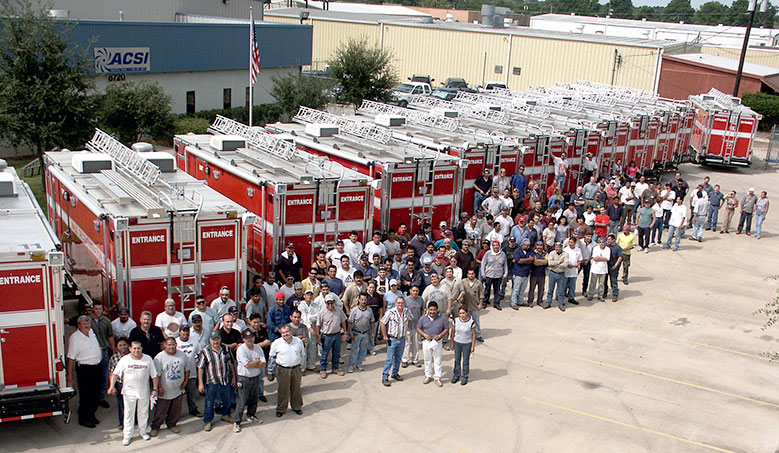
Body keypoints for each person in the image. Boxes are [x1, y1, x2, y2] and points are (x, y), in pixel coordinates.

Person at [108, 340, 159, 446]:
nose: (136, 350)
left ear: (142, 349)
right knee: (128, 414)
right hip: (128, 392)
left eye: (138, 348)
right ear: (130, 349)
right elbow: (115, 374)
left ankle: (143, 432)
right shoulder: (124, 360)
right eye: (134, 348)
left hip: (143, 392)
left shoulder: (148, 359)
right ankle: (127, 436)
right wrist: (111, 386)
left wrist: (154, 389)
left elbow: (154, 375)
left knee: (143, 413)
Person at [67, 315, 103, 428]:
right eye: (84, 324)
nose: (87, 325)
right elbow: (70, 358)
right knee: (86, 394)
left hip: (96, 367)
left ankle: (91, 415)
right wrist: (69, 376)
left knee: (95, 393)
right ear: (79, 325)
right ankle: (83, 418)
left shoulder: (91, 332)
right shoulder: (75, 338)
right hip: (85, 369)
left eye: (88, 323)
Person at [198, 331, 236, 432]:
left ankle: (226, 415)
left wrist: (234, 377)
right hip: (211, 382)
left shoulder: (226, 348)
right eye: (213, 339)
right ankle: (208, 420)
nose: (216, 341)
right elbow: (200, 368)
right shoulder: (205, 351)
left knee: (227, 399)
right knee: (210, 402)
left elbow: (231, 362)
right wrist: (200, 383)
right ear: (209, 340)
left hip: (225, 379)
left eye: (217, 339)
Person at [150, 337, 189, 437]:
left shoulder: (182, 355)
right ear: (165, 346)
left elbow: (187, 370)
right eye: (169, 344)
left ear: (176, 345)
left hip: (178, 388)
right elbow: (156, 375)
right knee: (161, 410)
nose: (171, 347)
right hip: (164, 389)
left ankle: (172, 424)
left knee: (176, 409)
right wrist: (158, 387)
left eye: (173, 344)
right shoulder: (159, 358)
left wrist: (185, 382)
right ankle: (155, 427)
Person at [233, 329, 265, 431]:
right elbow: (246, 365)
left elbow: (263, 363)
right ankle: (237, 422)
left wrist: (253, 363)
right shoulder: (241, 349)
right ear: (243, 339)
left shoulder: (258, 348)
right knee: (242, 401)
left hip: (255, 377)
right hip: (244, 378)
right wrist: (257, 362)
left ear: (254, 337)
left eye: (251, 337)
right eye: (247, 338)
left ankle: (251, 415)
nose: (249, 340)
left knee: (254, 399)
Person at [269, 325, 304, 418]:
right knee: (282, 390)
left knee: (296, 388)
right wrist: (270, 371)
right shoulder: (276, 343)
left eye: (287, 332)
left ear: (291, 331)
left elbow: (302, 354)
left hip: (296, 368)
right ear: (281, 333)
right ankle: (281, 409)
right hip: (283, 369)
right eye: (283, 333)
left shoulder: (298, 341)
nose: (285, 334)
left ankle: (296, 407)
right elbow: (272, 356)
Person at [380, 297, 412, 387]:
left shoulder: (407, 311)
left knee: (398, 357)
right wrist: (385, 335)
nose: (400, 305)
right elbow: (382, 322)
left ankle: (395, 373)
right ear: (395, 303)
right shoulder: (390, 312)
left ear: (404, 303)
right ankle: (385, 377)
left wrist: (405, 330)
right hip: (392, 338)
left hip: (402, 338)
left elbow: (410, 320)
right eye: (398, 303)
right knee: (389, 359)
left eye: (402, 303)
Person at [416, 301, 449, 387]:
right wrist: (423, 334)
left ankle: (437, 377)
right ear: (428, 310)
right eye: (430, 310)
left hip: (437, 342)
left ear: (437, 310)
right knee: (427, 359)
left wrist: (440, 335)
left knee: (438, 359)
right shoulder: (423, 318)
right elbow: (418, 328)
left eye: (434, 310)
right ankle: (428, 376)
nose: (432, 312)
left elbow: (446, 329)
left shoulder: (442, 318)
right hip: (426, 342)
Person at [89, 301, 114, 409]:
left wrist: (113, 350)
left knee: (103, 376)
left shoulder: (107, 321)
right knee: (92, 376)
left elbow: (110, 336)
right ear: (92, 309)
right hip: (91, 353)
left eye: (100, 309)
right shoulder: (87, 321)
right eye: (96, 309)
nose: (98, 311)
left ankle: (101, 398)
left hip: (104, 352)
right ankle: (92, 398)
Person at [316, 294, 347, 378]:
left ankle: (335, 368)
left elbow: (343, 321)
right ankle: (323, 370)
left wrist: (345, 332)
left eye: (331, 303)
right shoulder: (321, 312)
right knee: (324, 354)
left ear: (334, 302)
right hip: (326, 336)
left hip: (337, 334)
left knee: (336, 353)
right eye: (328, 303)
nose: (330, 305)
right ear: (325, 303)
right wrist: (318, 337)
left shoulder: (339, 311)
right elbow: (318, 325)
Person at [175, 323, 203, 417]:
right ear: (180, 332)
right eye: (183, 330)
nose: (185, 333)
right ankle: (175, 413)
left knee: (192, 393)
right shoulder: (175, 342)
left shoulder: (195, 341)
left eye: (187, 330)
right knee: (177, 394)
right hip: (178, 373)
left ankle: (193, 409)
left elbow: (200, 354)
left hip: (192, 371)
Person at [347, 293, 375, 373]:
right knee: (354, 350)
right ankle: (351, 365)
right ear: (359, 300)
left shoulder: (369, 310)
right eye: (362, 299)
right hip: (356, 333)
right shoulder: (354, 310)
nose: (363, 301)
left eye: (365, 300)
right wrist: (350, 334)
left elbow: (372, 322)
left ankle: (359, 363)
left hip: (366, 333)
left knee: (363, 350)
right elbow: (349, 322)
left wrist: (372, 333)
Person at [402, 285, 425, 366]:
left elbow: (422, 310)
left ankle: (415, 360)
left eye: (417, 291)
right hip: (407, 326)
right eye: (414, 290)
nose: (415, 292)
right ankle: (405, 360)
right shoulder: (405, 300)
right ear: (410, 291)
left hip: (417, 326)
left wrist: (422, 322)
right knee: (407, 343)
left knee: (416, 343)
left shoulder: (421, 300)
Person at [481, 240, 508, 310]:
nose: (495, 247)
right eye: (494, 245)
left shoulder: (503, 254)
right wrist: (483, 273)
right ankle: (485, 302)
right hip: (489, 274)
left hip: (498, 275)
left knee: (497, 290)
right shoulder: (488, 253)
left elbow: (505, 265)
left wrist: (505, 274)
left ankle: (496, 303)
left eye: (497, 245)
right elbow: (483, 264)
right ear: (492, 246)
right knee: (487, 290)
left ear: (499, 246)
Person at [543, 242, 568, 311]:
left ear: (561, 247)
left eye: (558, 247)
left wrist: (555, 264)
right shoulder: (552, 253)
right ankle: (548, 303)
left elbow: (565, 264)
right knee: (550, 289)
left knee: (561, 290)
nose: (557, 248)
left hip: (561, 274)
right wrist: (559, 262)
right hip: (552, 273)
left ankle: (561, 304)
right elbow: (550, 263)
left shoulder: (565, 254)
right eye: (556, 247)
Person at [511, 238, 534, 309]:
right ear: (522, 245)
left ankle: (520, 302)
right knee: (516, 289)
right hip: (518, 273)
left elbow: (532, 259)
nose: (528, 247)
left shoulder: (530, 251)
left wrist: (524, 260)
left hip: (526, 273)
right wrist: (528, 260)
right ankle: (513, 303)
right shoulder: (517, 251)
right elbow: (518, 261)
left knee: (522, 289)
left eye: (529, 245)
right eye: (526, 245)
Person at [562, 237, 583, 305]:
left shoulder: (578, 250)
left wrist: (577, 264)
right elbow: (562, 259)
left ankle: (571, 298)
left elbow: (580, 259)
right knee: (563, 285)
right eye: (569, 242)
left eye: (571, 242)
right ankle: (561, 298)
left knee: (572, 285)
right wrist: (567, 265)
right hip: (566, 269)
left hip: (574, 270)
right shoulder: (565, 250)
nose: (570, 244)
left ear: (575, 243)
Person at [528, 241, 548, 307]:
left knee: (541, 288)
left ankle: (540, 301)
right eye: (538, 245)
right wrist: (542, 261)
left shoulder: (545, 253)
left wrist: (538, 261)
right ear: (536, 246)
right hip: (534, 273)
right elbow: (534, 262)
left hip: (542, 274)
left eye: (541, 245)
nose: (539, 247)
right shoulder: (533, 253)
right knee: (532, 288)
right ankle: (530, 301)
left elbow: (546, 262)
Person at [604, 234, 623, 302]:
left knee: (613, 281)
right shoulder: (606, 246)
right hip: (606, 266)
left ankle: (615, 294)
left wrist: (616, 265)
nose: (608, 241)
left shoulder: (617, 247)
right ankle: (604, 292)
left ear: (613, 240)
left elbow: (620, 257)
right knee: (604, 281)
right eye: (607, 239)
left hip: (613, 266)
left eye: (609, 239)